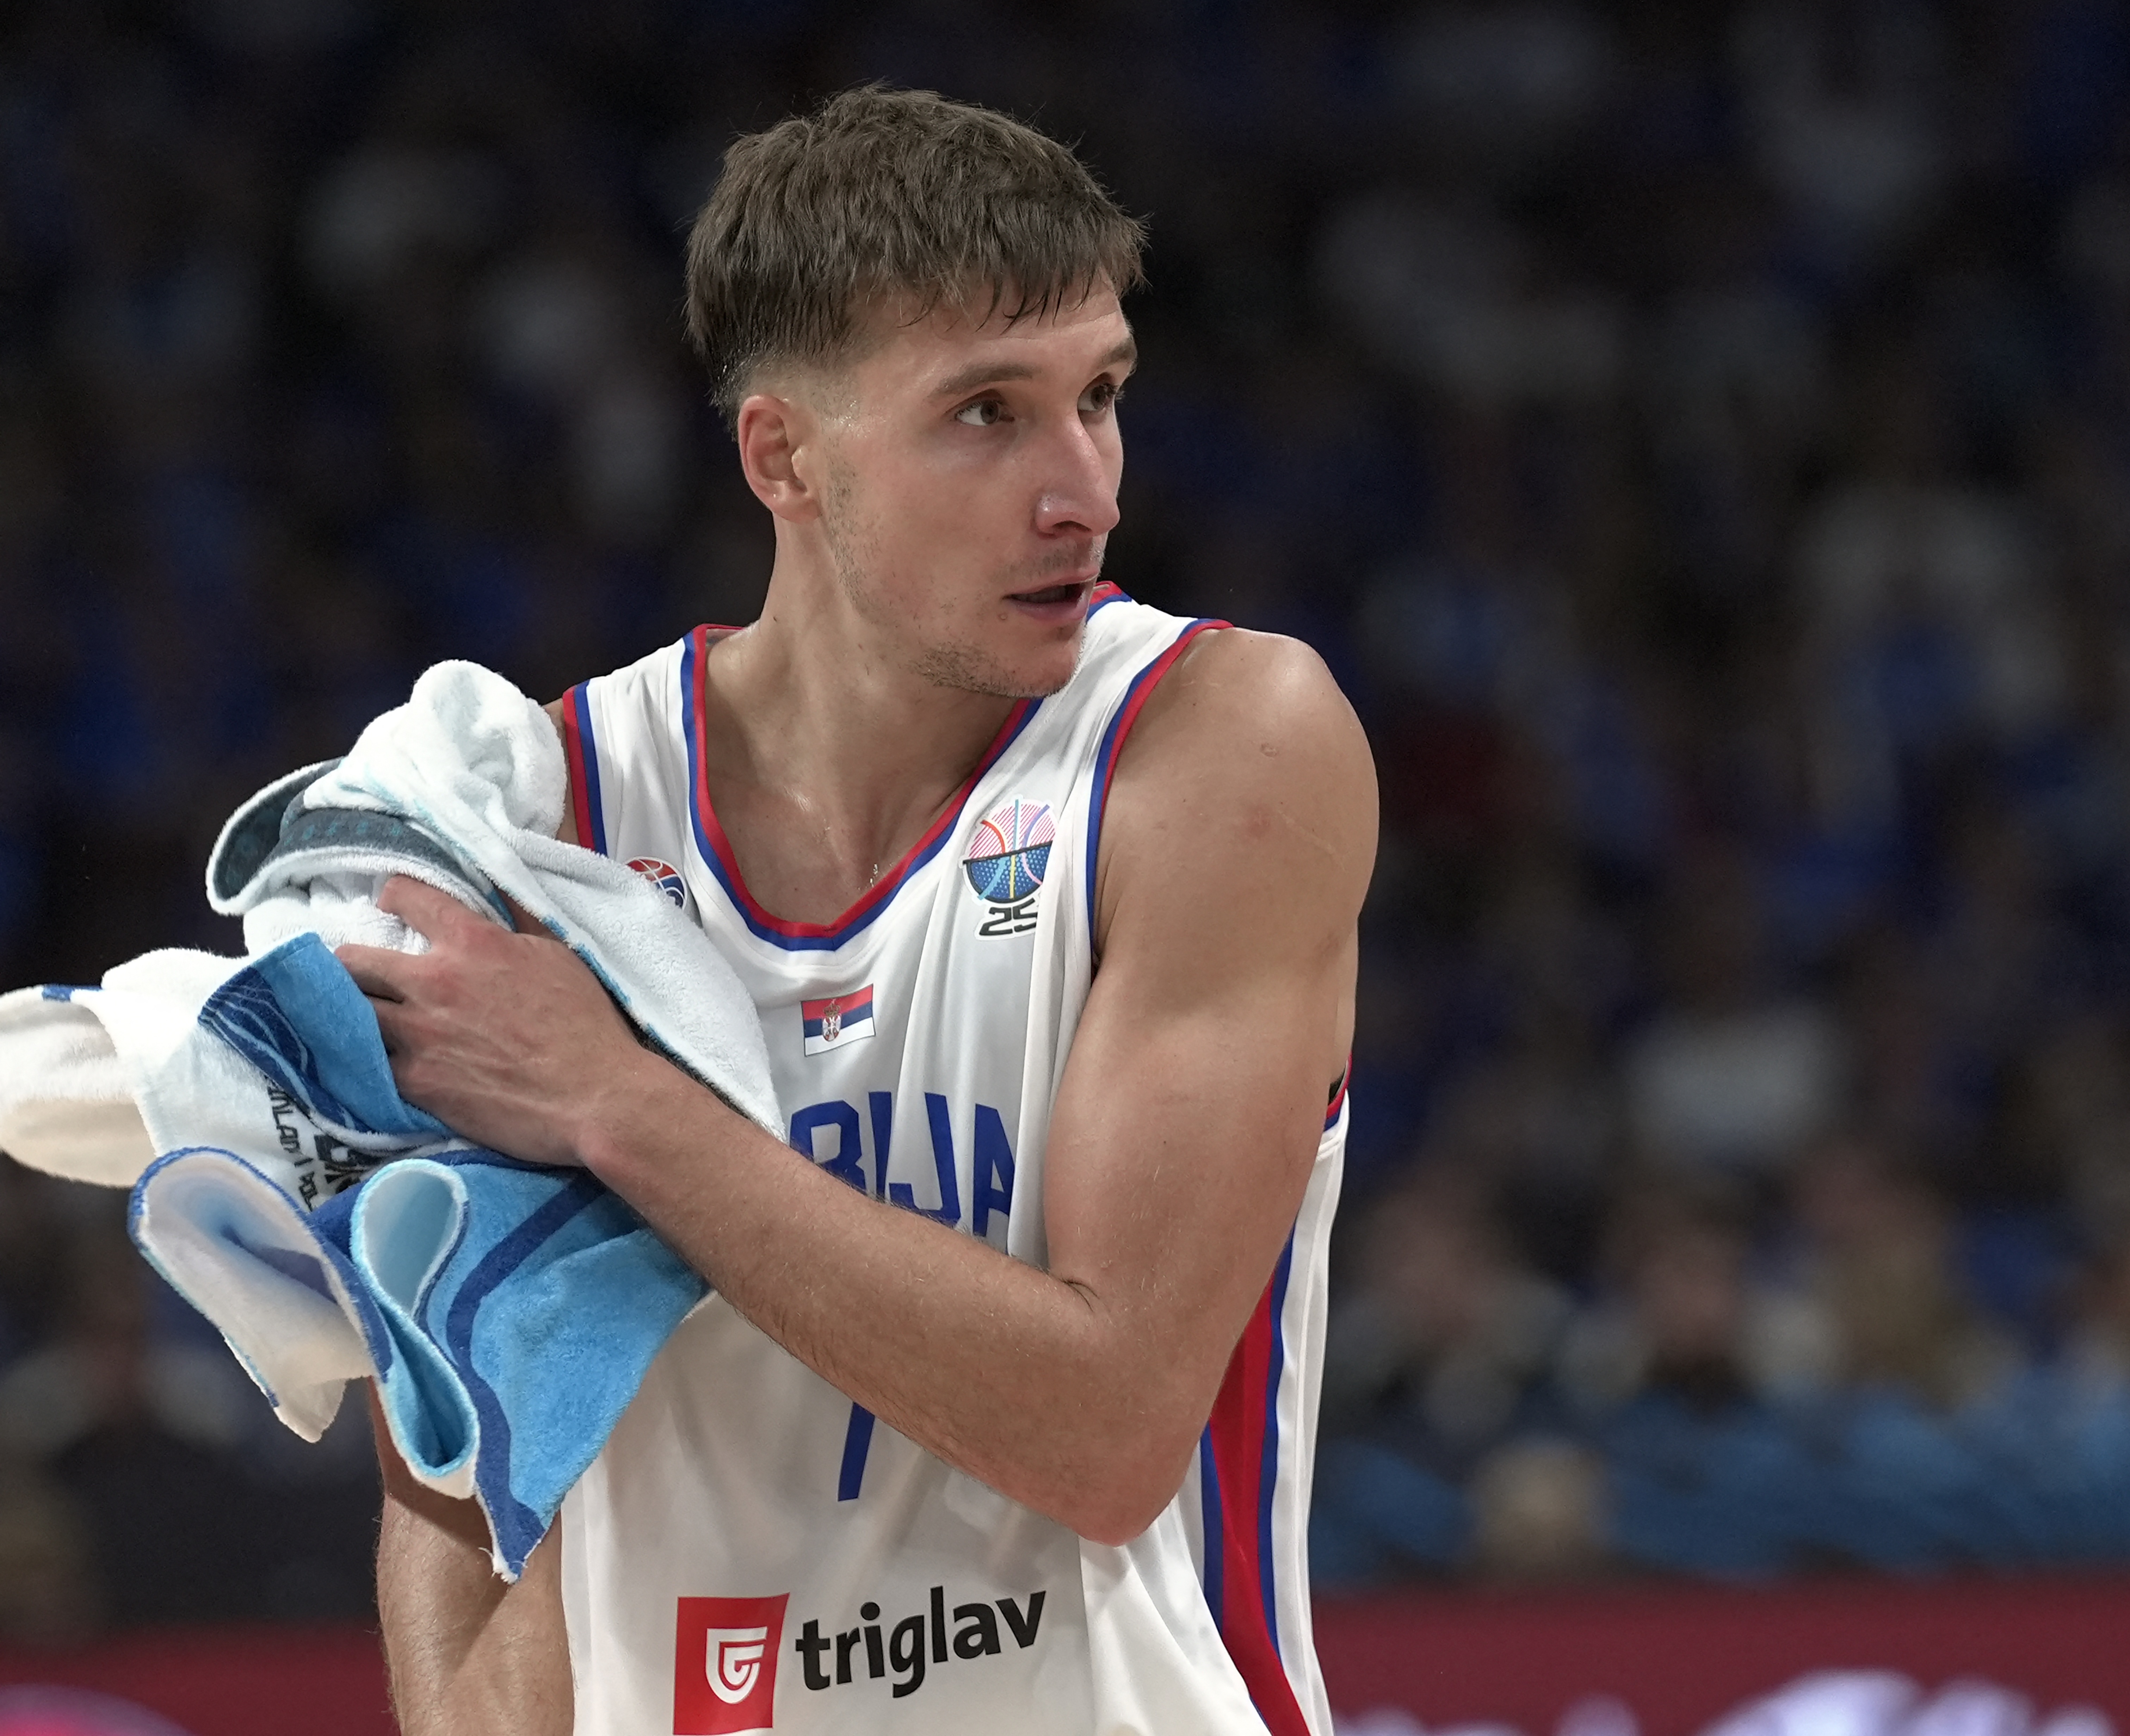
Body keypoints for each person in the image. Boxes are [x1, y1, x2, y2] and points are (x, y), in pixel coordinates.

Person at [335, 87, 1376, 1736]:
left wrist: (622, 1108)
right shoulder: (543, 813)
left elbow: (1106, 1432)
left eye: (1099, 396)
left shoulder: (1214, 744)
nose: (1083, 489)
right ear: (785, 457)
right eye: (987, 413)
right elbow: (454, 1466)